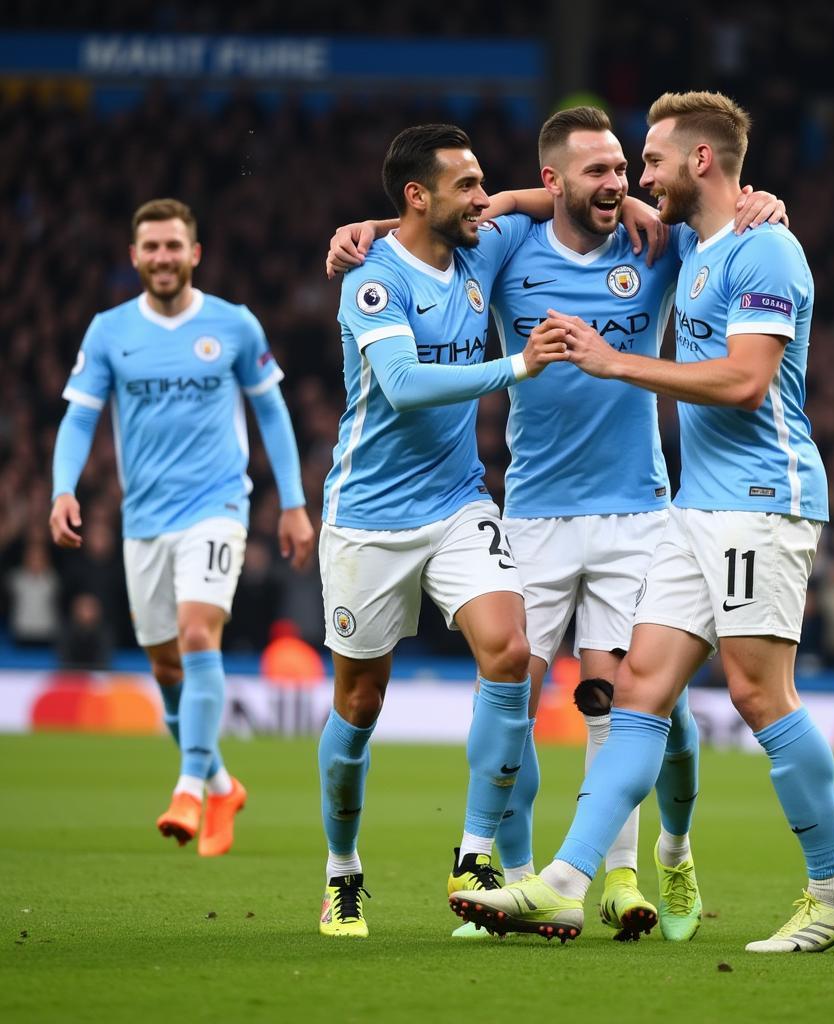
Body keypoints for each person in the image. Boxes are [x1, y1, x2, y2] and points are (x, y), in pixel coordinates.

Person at [327, 108, 786, 942]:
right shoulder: (504, 248)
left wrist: (764, 203)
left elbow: (720, 220)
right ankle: (508, 873)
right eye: (600, 172)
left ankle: (661, 859)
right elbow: (445, 225)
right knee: (515, 685)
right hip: (533, 510)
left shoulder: (661, 245)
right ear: (552, 183)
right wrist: (371, 227)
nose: (621, 184)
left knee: (644, 704)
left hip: (641, 508)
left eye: (626, 169)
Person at [450, 91, 834, 953]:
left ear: (702, 161)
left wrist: (616, 363)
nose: (639, 180)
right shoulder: (698, 243)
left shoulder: (767, 250)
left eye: (649, 161)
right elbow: (558, 199)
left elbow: (748, 382)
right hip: (692, 507)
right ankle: (567, 882)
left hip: (761, 500)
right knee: (637, 693)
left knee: (760, 695)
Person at [316, 124, 570, 939]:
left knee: (510, 650)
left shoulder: (479, 248)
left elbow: (543, 199)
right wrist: (515, 367)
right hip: (368, 520)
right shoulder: (374, 283)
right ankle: (343, 872)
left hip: (460, 502)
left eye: (482, 183)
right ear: (417, 197)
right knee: (360, 702)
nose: (482, 199)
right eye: (466, 185)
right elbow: (401, 386)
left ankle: (474, 855)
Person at [49, 198, 314, 858]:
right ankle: (223, 781)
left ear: (195, 254)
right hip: (144, 521)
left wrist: (292, 501)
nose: (163, 257)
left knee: (199, 633)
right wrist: (61, 488)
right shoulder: (110, 331)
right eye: (152, 247)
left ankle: (191, 784)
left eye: (174, 246)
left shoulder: (233, 325)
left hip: (217, 508)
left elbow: (273, 413)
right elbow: (81, 417)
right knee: (166, 664)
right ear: (134, 256)